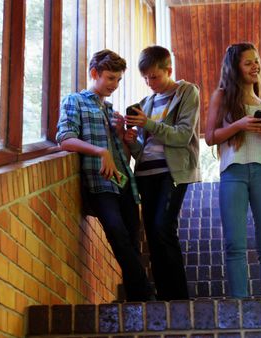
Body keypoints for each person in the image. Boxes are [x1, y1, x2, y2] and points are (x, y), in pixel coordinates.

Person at [56, 49, 154, 301]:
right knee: (117, 234)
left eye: (118, 80)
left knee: (132, 241)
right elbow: (65, 139)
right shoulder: (74, 101)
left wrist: (124, 138)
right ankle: (147, 294)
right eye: (110, 78)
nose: (115, 85)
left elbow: (125, 154)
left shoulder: (112, 111)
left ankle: (138, 301)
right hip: (100, 183)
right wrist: (100, 151)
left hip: (124, 183)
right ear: (94, 73)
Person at [123, 45, 200, 301]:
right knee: (153, 236)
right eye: (145, 78)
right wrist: (131, 139)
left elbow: (182, 135)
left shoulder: (187, 92)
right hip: (145, 173)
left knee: (162, 227)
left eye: (154, 77)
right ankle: (165, 299)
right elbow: (141, 150)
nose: (149, 82)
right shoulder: (146, 103)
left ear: (169, 70)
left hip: (173, 171)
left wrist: (149, 123)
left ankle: (178, 299)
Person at [204, 43, 261, 298]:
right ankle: (239, 302)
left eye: (256, 61)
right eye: (248, 62)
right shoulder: (222, 96)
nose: (255, 66)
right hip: (232, 171)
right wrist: (239, 124)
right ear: (235, 67)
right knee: (235, 244)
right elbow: (209, 137)